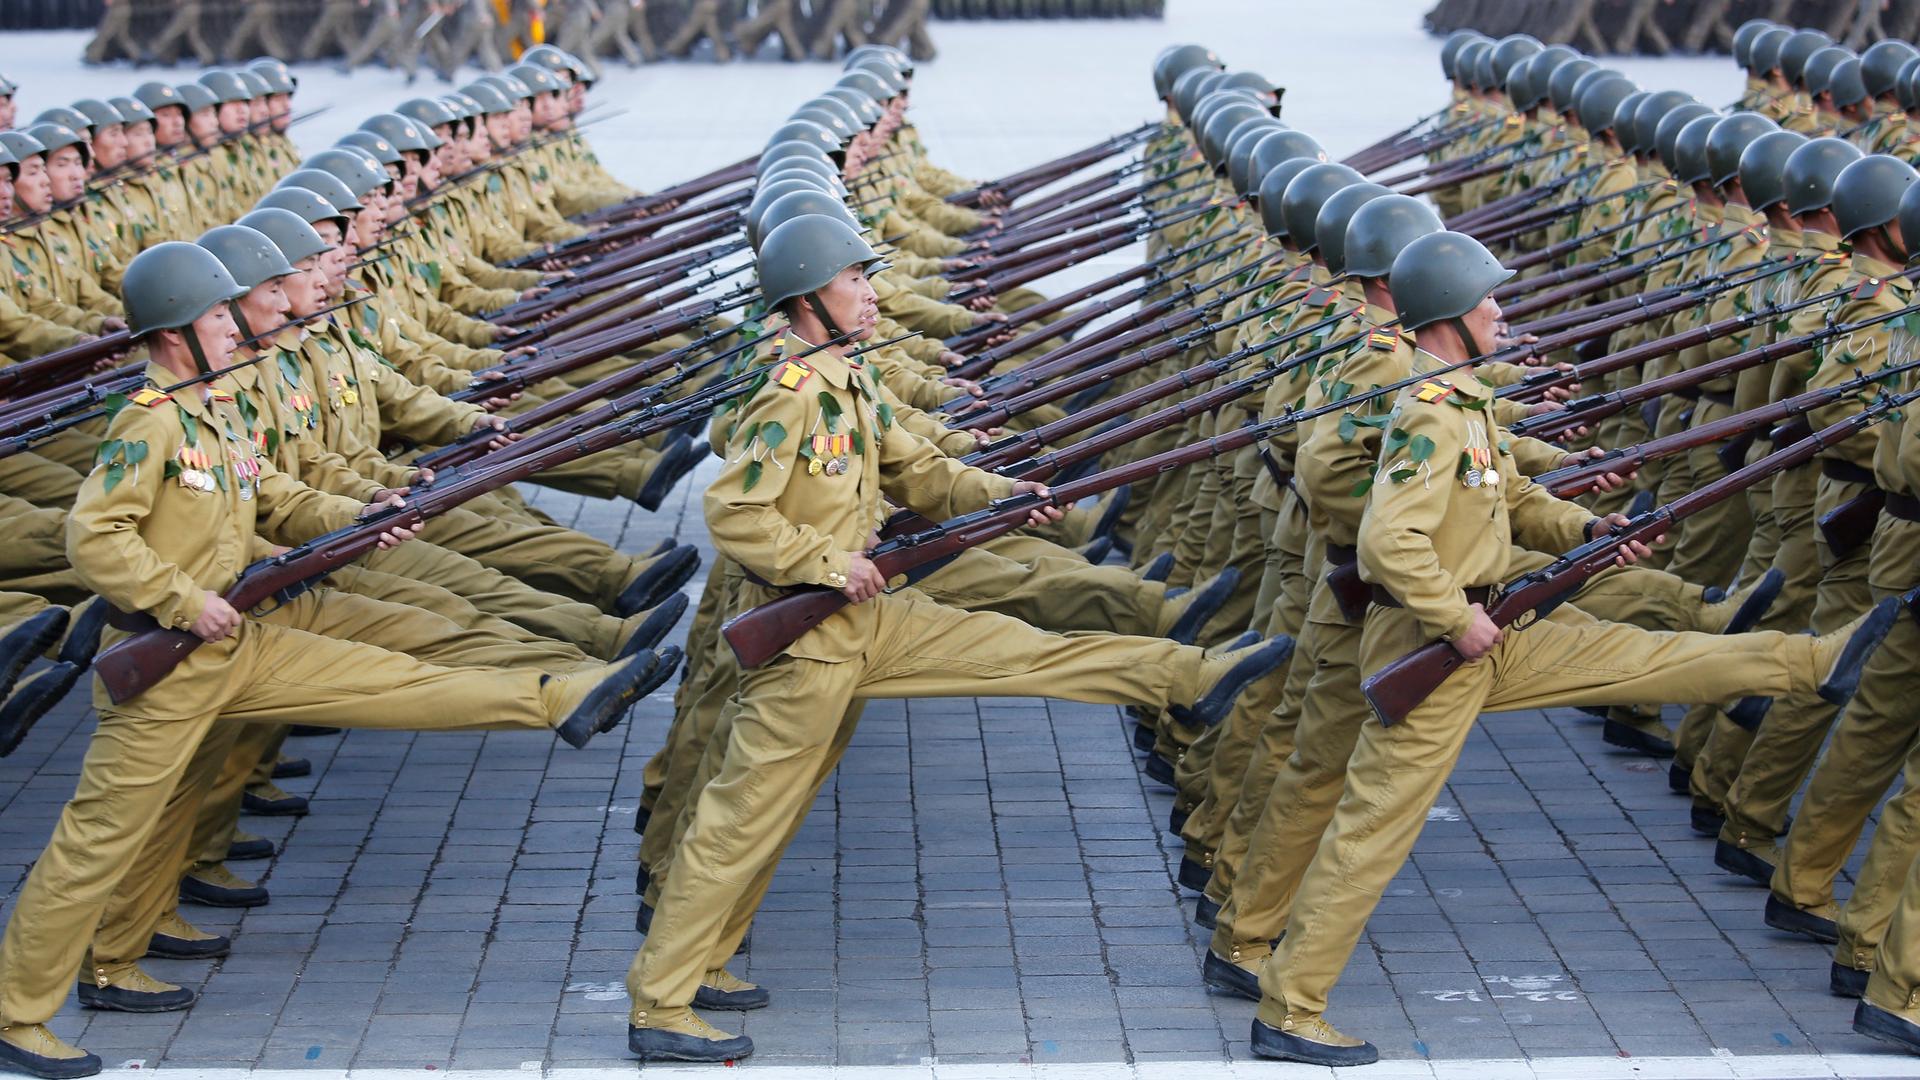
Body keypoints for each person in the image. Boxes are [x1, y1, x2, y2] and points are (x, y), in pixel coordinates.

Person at [623, 213, 1293, 1063]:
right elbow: (735, 513)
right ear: (807, 297)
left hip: (868, 623)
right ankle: (661, 1000)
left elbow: (925, 473)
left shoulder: (846, 378)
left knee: (1018, 645)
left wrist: (1009, 496)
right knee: (742, 819)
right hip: (809, 643)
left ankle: (1191, 672)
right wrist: (825, 560)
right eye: (853, 281)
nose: (869, 293)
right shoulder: (789, 395)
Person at [0, 242, 671, 1080]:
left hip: (238, 640)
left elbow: (271, 494)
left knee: (392, 680)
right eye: (215, 315)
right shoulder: (151, 421)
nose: (233, 324)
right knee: (97, 842)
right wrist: (181, 599)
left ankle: (563, 691)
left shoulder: (213, 407)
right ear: (173, 335)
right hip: (169, 660)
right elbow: (93, 536)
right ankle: (18, 1012)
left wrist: (354, 514)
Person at [1245, 230, 1899, 1067]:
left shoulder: (1464, 399)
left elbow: (1512, 494)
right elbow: (1388, 541)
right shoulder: (1433, 414)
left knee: (1642, 656)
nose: (1501, 310)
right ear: (1450, 315)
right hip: (1439, 648)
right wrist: (1453, 618)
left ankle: (1815, 661)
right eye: (1489, 300)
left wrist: (1589, 529)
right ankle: (1291, 1007)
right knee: (1372, 830)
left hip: (1489, 629)